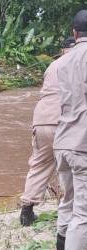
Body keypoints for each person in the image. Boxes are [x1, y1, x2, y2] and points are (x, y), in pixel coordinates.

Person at [19, 37, 75, 227]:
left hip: (42, 119)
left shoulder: (52, 66)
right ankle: (68, 210)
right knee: (71, 165)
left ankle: (26, 211)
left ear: (63, 49)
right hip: (65, 119)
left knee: (40, 164)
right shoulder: (80, 61)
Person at [53, 10, 87, 250]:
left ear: (74, 33)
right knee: (83, 214)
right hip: (82, 144)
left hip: (62, 140)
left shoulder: (61, 61)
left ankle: (60, 243)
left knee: (68, 200)